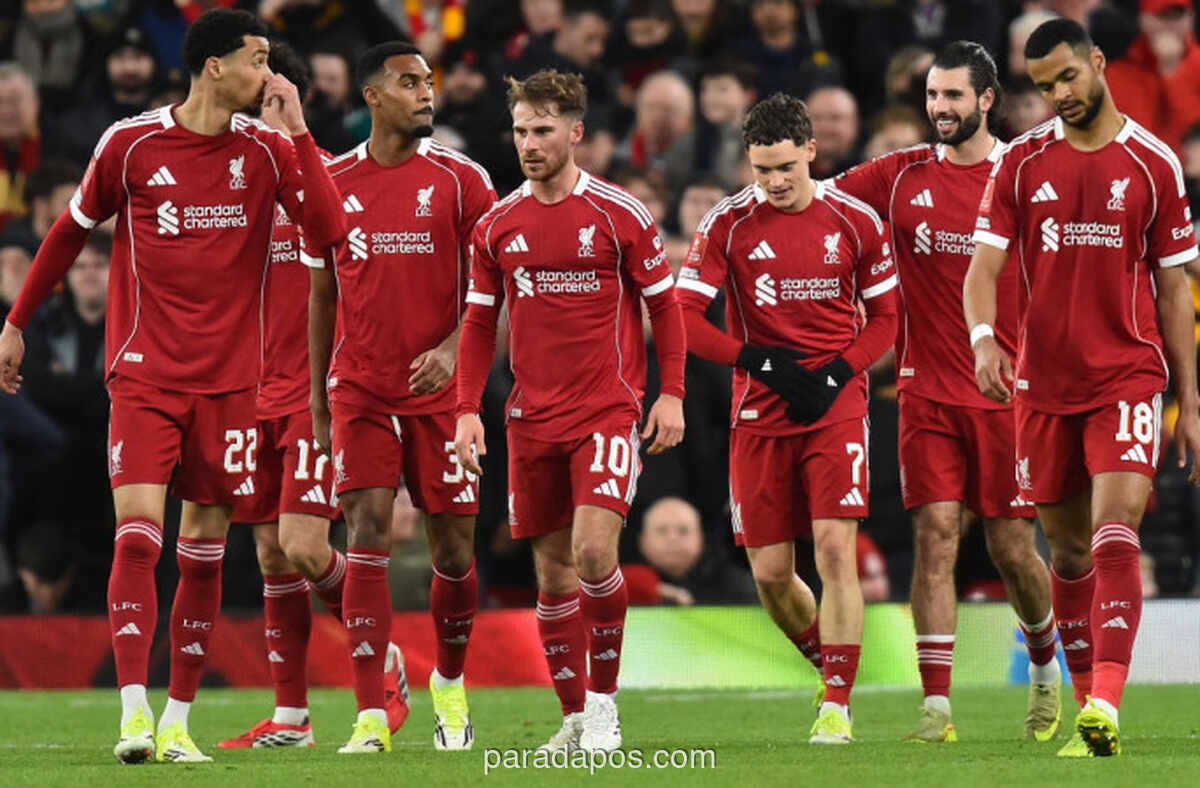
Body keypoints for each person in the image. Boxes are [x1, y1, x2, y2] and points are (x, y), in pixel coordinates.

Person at [0, 9, 345, 764]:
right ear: (214, 67)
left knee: (203, 550)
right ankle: (132, 714)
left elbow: (327, 234)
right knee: (139, 531)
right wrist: (18, 321)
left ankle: (177, 723)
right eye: (258, 61)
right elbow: (68, 231)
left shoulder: (265, 149)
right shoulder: (130, 143)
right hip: (146, 374)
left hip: (231, 387)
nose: (271, 73)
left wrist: (299, 134)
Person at [964, 18, 1200, 758]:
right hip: (1042, 386)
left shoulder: (1155, 163)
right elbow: (982, 270)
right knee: (1065, 555)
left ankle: (1105, 702)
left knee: (1114, 531)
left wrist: (1188, 399)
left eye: (1067, 78)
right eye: (1042, 87)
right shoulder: (1022, 164)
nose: (1058, 95)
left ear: (1097, 64)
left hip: (1127, 376)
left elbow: (1172, 290)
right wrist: (981, 341)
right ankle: (1085, 706)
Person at [832, 41, 1059, 744]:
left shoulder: (1027, 176)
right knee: (934, 538)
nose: (940, 108)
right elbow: (816, 199)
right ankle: (936, 708)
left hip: (1007, 394)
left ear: (987, 100)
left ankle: (1047, 670)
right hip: (925, 392)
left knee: (1013, 550)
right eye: (933, 96)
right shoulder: (899, 177)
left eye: (954, 96)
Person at [453, 68, 686, 753]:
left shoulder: (621, 215)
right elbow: (475, 324)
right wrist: (467, 408)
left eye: (543, 130)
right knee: (551, 573)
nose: (529, 143)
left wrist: (669, 392)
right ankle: (574, 715)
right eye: (521, 130)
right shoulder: (497, 224)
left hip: (606, 410)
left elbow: (665, 310)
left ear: (575, 133)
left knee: (591, 552)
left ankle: (607, 704)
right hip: (530, 417)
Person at [677, 92, 899, 744]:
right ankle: (834, 671)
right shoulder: (728, 224)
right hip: (760, 410)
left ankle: (836, 703)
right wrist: (760, 362)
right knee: (773, 576)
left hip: (836, 406)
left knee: (834, 550)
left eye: (785, 168)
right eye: (761, 169)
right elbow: (687, 320)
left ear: (811, 151)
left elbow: (887, 319)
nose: (774, 183)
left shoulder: (856, 221)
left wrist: (837, 372)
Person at [217, 40, 409, 752]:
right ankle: (291, 718)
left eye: (264, 103)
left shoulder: (330, 177)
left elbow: (350, 262)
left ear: (287, 101)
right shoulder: (229, 188)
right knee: (269, 553)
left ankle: (380, 654)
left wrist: (293, 136)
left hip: (316, 392)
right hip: (249, 391)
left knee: (303, 544)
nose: (248, 119)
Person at [307, 41, 497, 755]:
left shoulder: (462, 180)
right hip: (361, 389)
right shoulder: (331, 181)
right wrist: (322, 403)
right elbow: (320, 293)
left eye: (430, 82)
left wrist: (452, 352)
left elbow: (493, 290)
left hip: (442, 399)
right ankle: (368, 715)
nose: (426, 93)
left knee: (452, 552)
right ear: (373, 97)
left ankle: (448, 680)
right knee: (365, 534)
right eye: (409, 82)